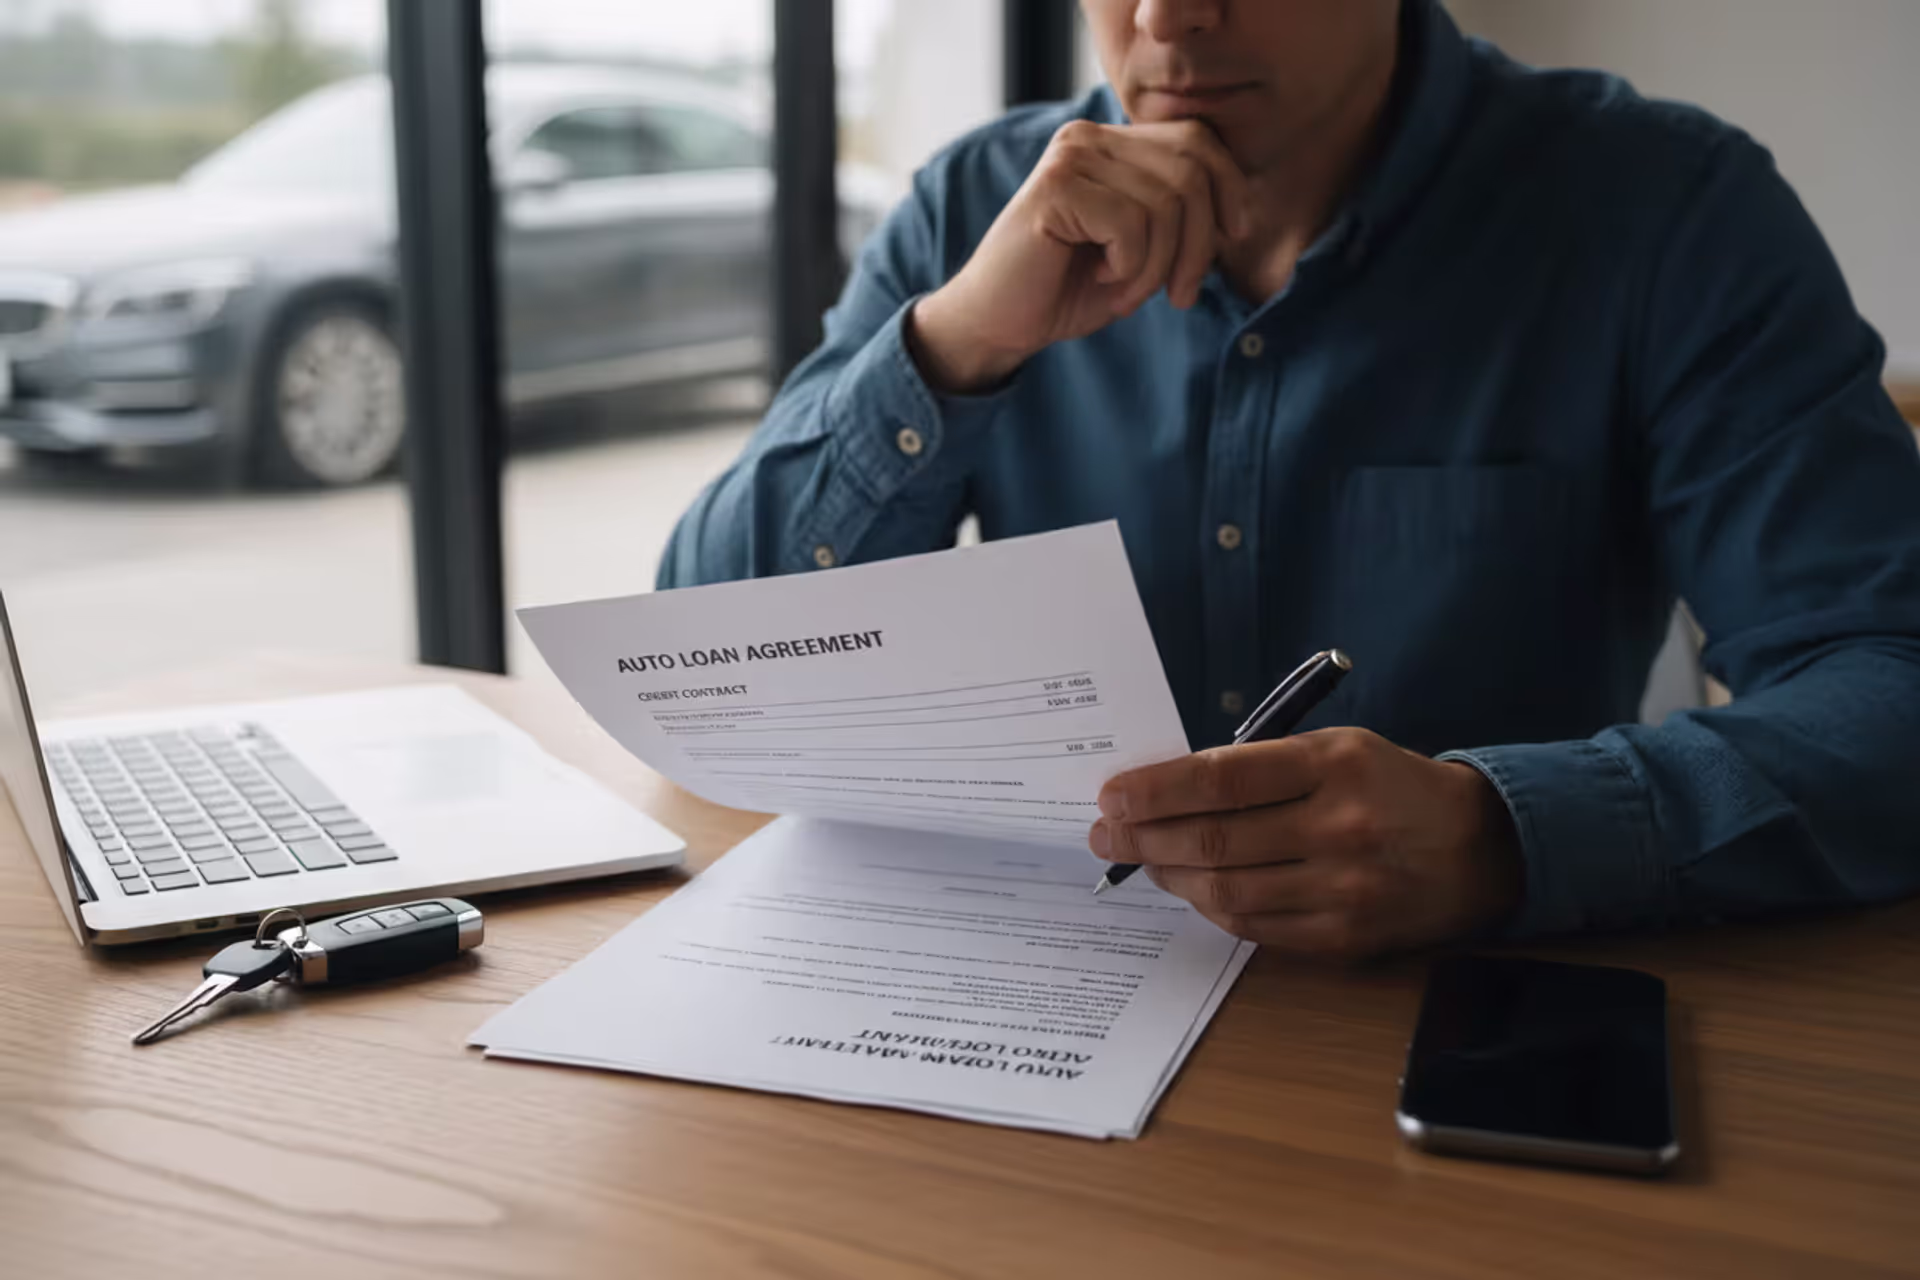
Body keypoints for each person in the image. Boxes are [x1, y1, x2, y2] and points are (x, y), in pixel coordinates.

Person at [659, 0, 1920, 957]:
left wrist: (1499, 829)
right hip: (1051, 988)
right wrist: (953, 348)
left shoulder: (1666, 211)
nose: (1164, 21)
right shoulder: (977, 205)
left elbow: (1891, 682)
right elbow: (697, 651)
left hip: (1458, 1014)